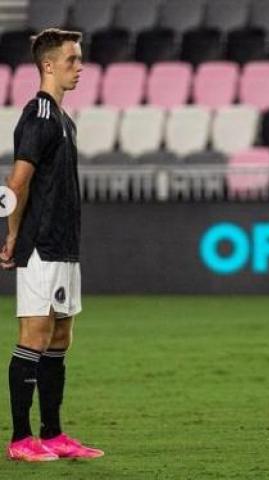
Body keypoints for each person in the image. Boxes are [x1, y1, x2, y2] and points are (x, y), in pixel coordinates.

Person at [1, 28, 103, 462]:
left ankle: (54, 434)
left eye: (79, 60)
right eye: (71, 60)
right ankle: (21, 439)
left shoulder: (64, 119)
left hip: (64, 245)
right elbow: (17, 182)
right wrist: (11, 236)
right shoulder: (39, 115)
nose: (79, 67)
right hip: (40, 244)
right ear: (47, 65)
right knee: (35, 334)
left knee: (60, 335)